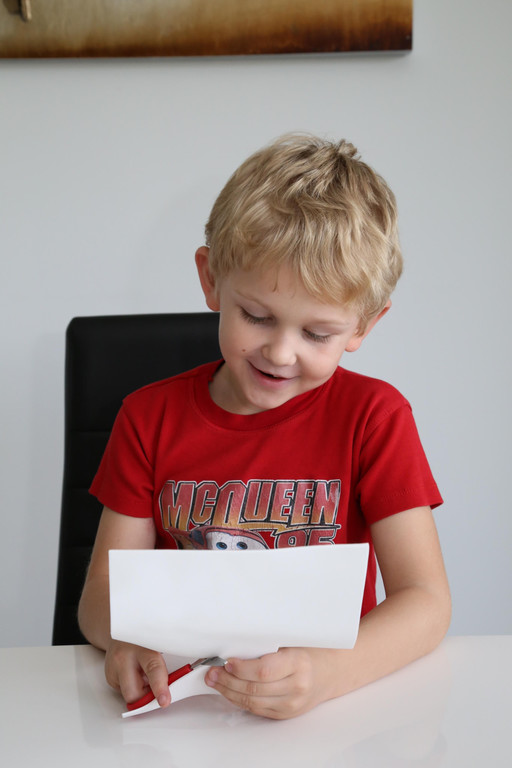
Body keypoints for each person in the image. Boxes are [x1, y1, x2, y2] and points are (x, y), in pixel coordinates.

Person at [78, 134, 451, 720]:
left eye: (317, 334)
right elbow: (99, 596)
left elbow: (425, 602)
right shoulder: (147, 418)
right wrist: (127, 637)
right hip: (183, 712)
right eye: (256, 316)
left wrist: (328, 675)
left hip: (334, 716)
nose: (280, 353)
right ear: (211, 280)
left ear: (363, 327)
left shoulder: (375, 419)